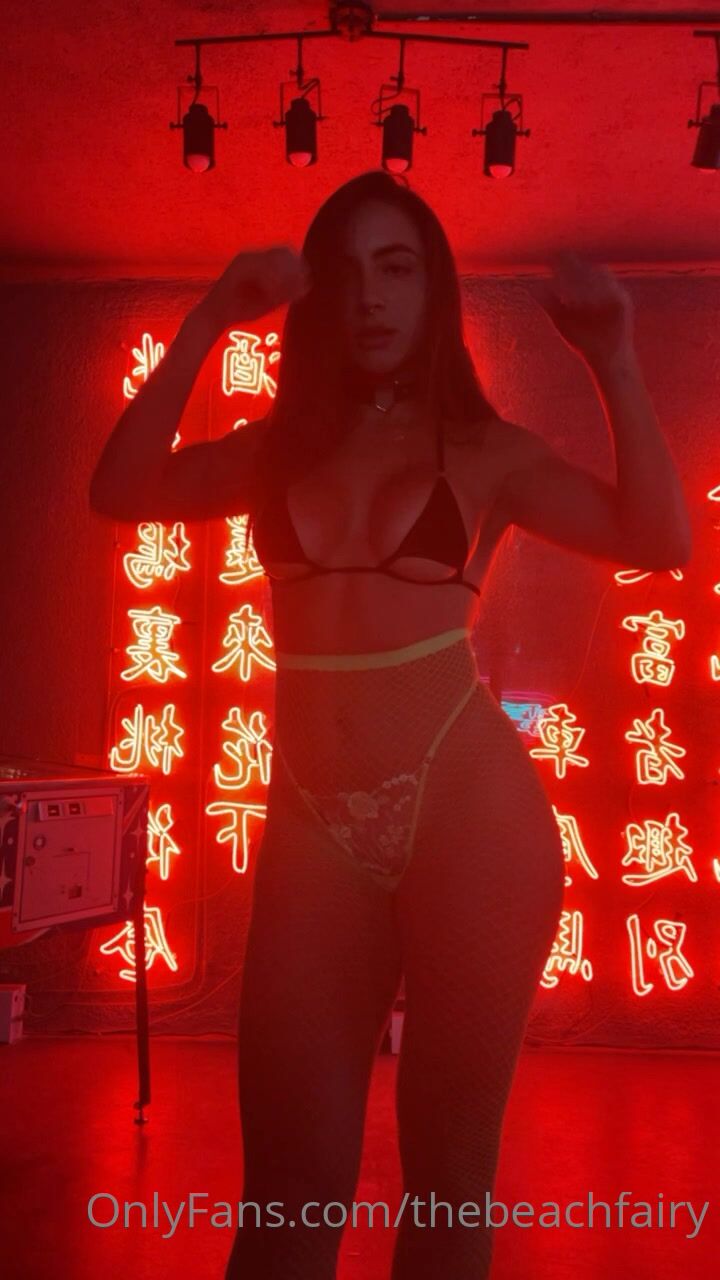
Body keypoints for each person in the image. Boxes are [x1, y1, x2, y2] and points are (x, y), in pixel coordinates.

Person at [89, 170, 691, 1279]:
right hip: (311, 822)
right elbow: (120, 488)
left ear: (433, 292)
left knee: (450, 1179)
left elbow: (659, 538)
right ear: (317, 299)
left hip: (471, 812)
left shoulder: (485, 450)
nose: (370, 295)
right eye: (348, 272)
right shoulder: (275, 448)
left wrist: (611, 356)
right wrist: (210, 317)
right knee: (285, 1194)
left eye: (398, 267)